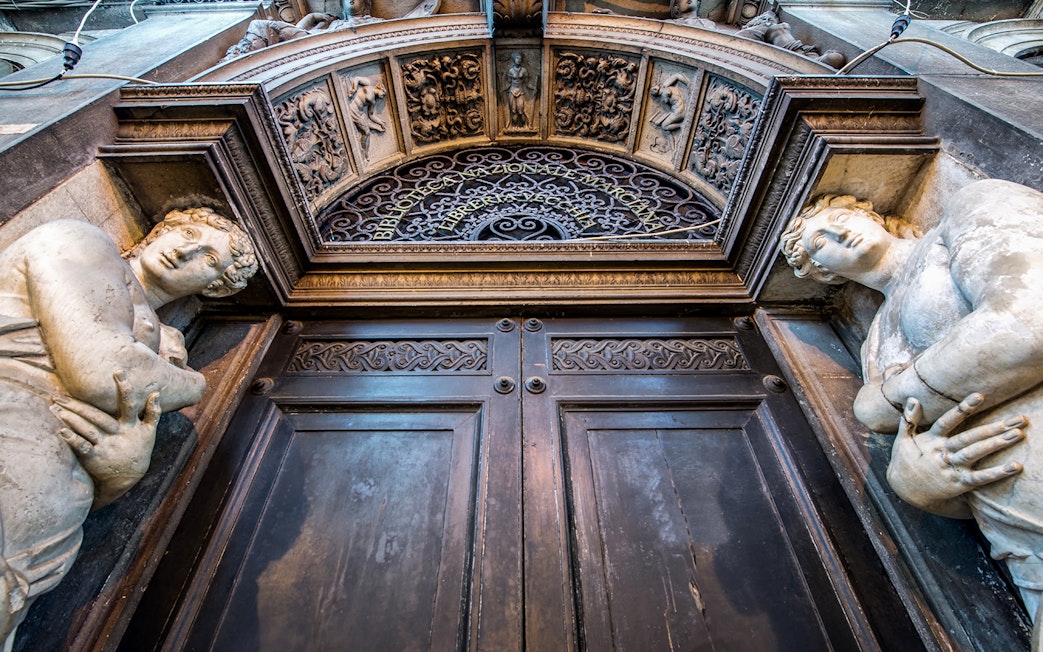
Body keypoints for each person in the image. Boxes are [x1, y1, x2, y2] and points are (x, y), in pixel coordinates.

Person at [780, 181, 1043, 632]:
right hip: (1015, 528)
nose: (841, 236)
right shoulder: (874, 344)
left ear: (870, 213)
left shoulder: (969, 209)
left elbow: (1028, 320)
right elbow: (912, 435)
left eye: (842, 220)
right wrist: (915, 482)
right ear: (822, 272)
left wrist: (886, 403)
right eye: (821, 242)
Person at [0, 208, 257, 646]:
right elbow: (103, 372)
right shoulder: (80, 240)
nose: (186, 250)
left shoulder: (167, 346)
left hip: (48, 526)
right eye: (189, 233)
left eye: (210, 260)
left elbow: (110, 446)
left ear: (214, 288)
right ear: (161, 231)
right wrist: (194, 385)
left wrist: (122, 474)